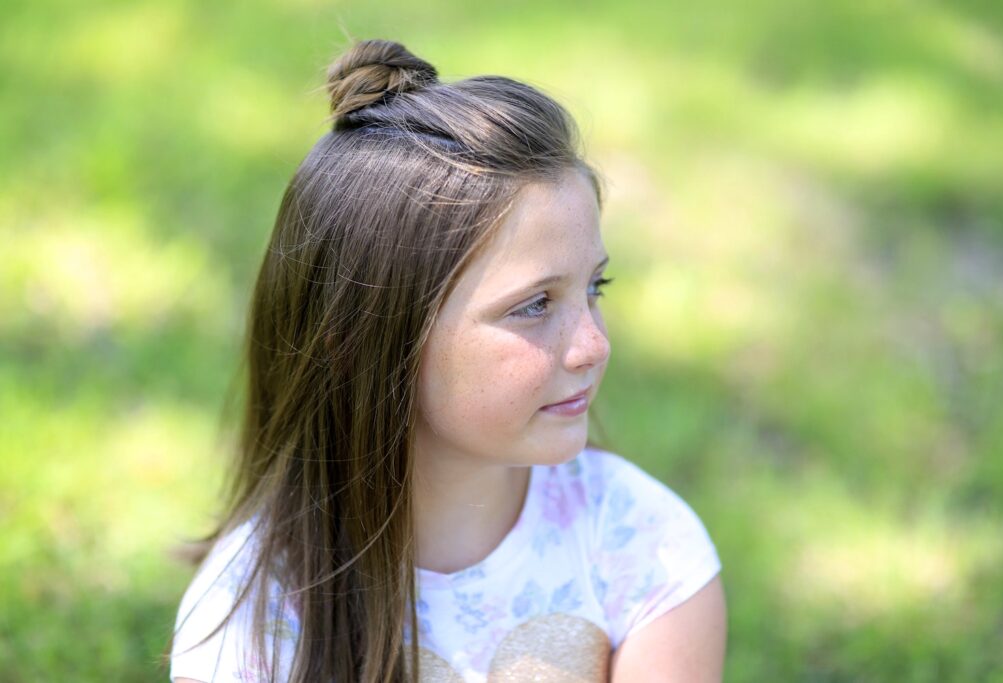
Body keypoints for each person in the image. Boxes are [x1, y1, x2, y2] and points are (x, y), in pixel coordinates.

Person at [168, 38, 726, 683]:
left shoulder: (639, 543)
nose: (593, 345)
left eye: (593, 289)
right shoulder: (255, 616)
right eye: (533, 305)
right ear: (361, 341)